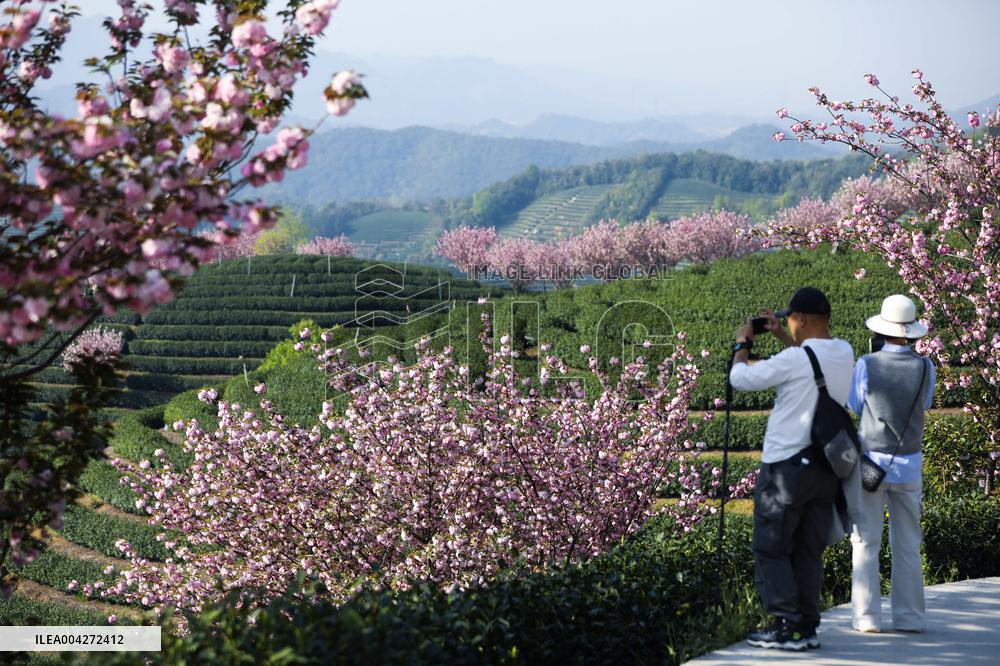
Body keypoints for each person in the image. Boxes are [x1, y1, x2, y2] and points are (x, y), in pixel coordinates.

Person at [729, 287, 855, 651]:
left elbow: (741, 380)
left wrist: (743, 344)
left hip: (786, 467)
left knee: (771, 547)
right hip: (825, 469)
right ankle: (806, 628)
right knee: (807, 550)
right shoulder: (844, 351)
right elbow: (809, 359)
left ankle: (785, 625)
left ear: (800, 319)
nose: (787, 325)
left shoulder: (796, 360)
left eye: (789, 320)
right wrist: (784, 337)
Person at [847, 294, 935, 634]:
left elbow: (856, 405)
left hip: (870, 464)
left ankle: (867, 618)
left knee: (866, 541)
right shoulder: (926, 366)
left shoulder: (866, 364)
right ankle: (910, 617)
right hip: (909, 464)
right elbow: (924, 404)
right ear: (912, 332)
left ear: (882, 330)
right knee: (908, 543)